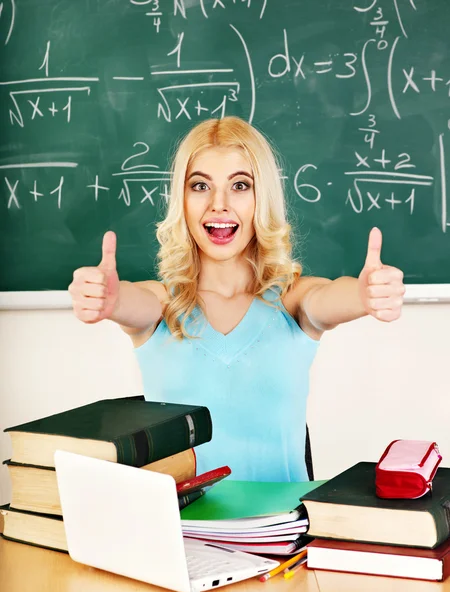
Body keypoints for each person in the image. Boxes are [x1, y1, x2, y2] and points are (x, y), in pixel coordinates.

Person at [69, 117, 405, 482]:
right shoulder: (161, 305)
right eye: (200, 186)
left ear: (262, 198)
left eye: (240, 185)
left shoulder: (293, 301)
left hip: (278, 532)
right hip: (180, 534)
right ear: (181, 199)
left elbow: (327, 298)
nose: (219, 204)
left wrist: (364, 294)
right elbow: (129, 303)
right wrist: (107, 301)